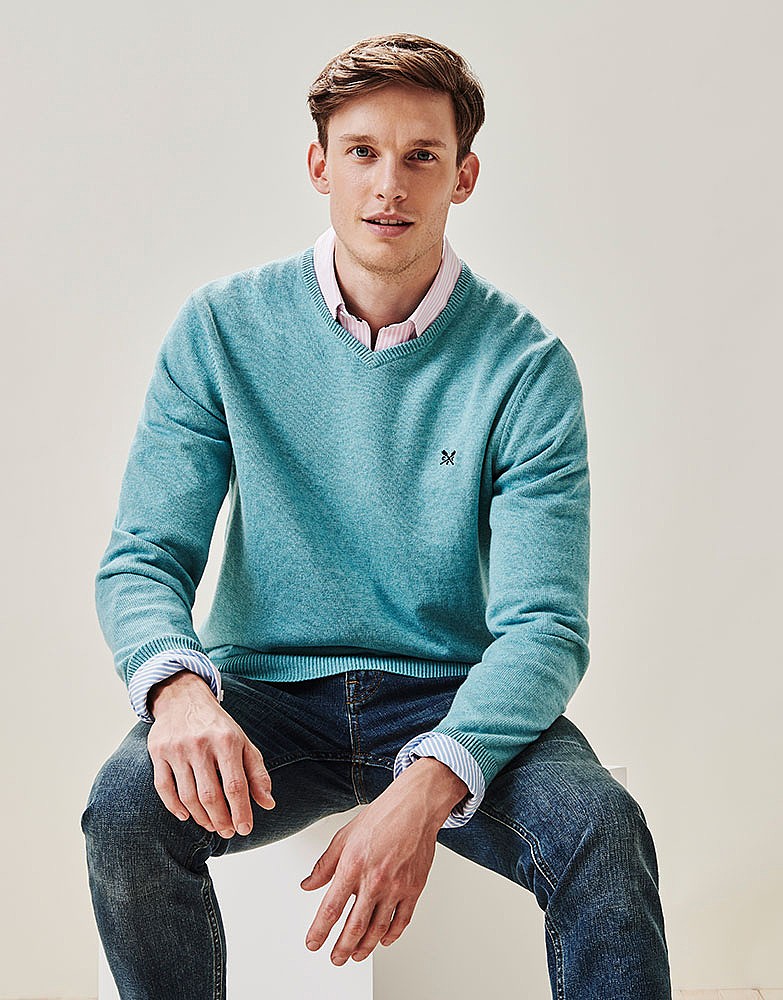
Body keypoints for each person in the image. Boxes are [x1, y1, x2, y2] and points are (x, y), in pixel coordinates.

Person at [80, 32, 673, 999]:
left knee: (601, 830)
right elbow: (143, 556)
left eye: (420, 156)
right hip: (266, 691)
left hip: (450, 692)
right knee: (123, 809)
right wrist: (176, 692)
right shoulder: (221, 329)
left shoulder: (524, 368)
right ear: (320, 165)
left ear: (463, 176)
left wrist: (428, 781)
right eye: (361, 151)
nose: (388, 185)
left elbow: (545, 627)